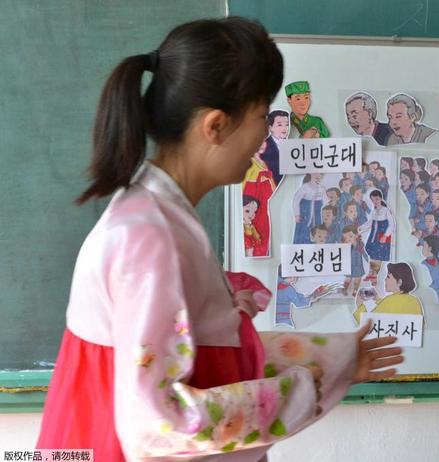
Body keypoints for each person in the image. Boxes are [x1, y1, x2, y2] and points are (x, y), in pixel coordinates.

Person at [36, 18, 404, 461]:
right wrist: (293, 394)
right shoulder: (149, 239)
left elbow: (204, 355)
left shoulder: (158, 220)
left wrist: (335, 359)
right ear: (214, 126)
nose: (265, 137)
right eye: (260, 118)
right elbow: (155, 421)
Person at [353, 262, 423, 323]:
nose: (385, 279)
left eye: (388, 277)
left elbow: (368, 325)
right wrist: (378, 299)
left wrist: (359, 306)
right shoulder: (414, 301)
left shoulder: (390, 301)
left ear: (399, 282)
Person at [359, 190, 395, 283]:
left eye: (377, 199)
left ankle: (375, 275)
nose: (375, 201)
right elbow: (370, 222)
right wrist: (361, 228)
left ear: (380, 198)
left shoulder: (386, 210)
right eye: (373, 200)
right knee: (372, 254)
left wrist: (385, 236)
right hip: (373, 236)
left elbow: (391, 225)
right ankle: (371, 273)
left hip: (382, 235)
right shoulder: (374, 211)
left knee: (379, 256)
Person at [292, 173, 326, 244]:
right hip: (305, 214)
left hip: (317, 215)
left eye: (321, 174)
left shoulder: (322, 188)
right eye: (316, 173)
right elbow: (296, 200)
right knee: (303, 230)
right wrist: (297, 215)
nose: (318, 176)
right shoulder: (305, 187)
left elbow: (325, 201)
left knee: (317, 230)